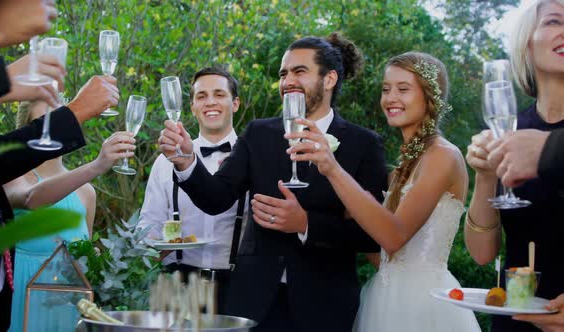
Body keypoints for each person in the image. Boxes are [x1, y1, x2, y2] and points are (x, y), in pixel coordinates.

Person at [158, 33, 387, 331]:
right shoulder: (258, 133)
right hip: (253, 303)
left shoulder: (363, 144)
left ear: (329, 79)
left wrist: (306, 224)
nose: (287, 80)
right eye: (283, 74)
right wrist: (187, 162)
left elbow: (369, 235)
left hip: (324, 306)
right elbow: (216, 198)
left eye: (299, 72)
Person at [287, 51, 480, 331]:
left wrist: (333, 169)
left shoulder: (443, 156)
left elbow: (394, 236)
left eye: (403, 89)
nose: (390, 98)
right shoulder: (401, 166)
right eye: (386, 89)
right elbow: (380, 252)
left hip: (425, 306)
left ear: (430, 97)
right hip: (385, 298)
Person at [0, 1, 119, 330]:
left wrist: (3, 80)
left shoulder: (85, 193)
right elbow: (19, 191)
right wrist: (76, 112)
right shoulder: (20, 176)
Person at [465, 1, 564, 331]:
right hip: (516, 320)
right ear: (527, 41)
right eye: (554, 21)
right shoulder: (510, 130)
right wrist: (484, 176)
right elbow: (481, 254)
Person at [5, 101, 134, 332]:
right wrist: (96, 165)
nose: (54, 127)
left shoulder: (86, 194)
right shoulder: (13, 178)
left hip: (67, 313)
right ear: (27, 130)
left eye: (59, 118)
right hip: (20, 305)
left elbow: (86, 262)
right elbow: (31, 198)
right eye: (44, 122)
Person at [138, 67, 247, 314]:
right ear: (192, 107)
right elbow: (150, 225)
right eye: (201, 96)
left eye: (219, 94)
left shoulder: (253, 158)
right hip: (176, 286)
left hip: (239, 287)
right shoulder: (164, 162)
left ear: (236, 103)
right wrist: (149, 248)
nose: (210, 102)